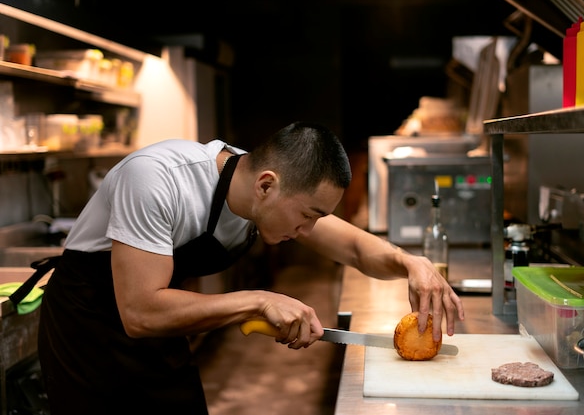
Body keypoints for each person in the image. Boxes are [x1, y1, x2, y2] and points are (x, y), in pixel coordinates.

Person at [36, 121, 464, 414]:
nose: (313, 230)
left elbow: (353, 248)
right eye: (310, 215)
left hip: (162, 332)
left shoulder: (266, 191)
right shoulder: (156, 180)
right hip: (88, 333)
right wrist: (258, 301)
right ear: (266, 185)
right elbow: (140, 311)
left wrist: (412, 262)